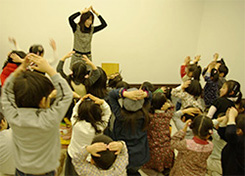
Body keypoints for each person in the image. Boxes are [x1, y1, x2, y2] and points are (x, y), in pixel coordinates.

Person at [1, 53, 73, 175]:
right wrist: (50, 70)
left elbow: (6, 90)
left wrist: (21, 68)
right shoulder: (49, 118)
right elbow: (67, 94)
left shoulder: (13, 117)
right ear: (43, 101)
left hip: (21, 170)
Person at [109, 88, 152, 175]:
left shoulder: (120, 116)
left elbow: (111, 95)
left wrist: (124, 93)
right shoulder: (144, 115)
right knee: (134, 171)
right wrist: (145, 94)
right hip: (140, 155)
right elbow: (150, 96)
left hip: (123, 155)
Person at [65, 94, 111, 176]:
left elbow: (74, 110)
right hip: (91, 159)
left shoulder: (76, 123)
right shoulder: (99, 127)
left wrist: (81, 100)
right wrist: (102, 102)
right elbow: (107, 112)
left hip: (74, 155)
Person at [143, 92, 174, 174]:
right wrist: (169, 105)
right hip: (166, 147)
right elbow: (172, 107)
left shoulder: (149, 116)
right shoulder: (167, 115)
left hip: (152, 147)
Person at [219, 107, 245, 175]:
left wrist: (232, 117)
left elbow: (230, 133)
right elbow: (221, 132)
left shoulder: (240, 142)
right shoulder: (236, 140)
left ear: (239, 131)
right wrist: (227, 118)